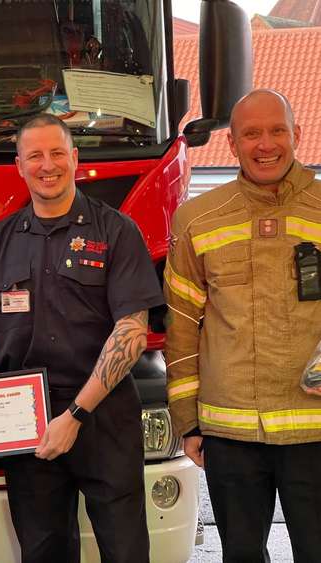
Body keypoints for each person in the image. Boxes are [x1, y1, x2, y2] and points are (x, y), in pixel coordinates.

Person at [0, 113, 163, 563]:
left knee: (125, 550)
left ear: (75, 159)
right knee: (42, 551)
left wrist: (75, 414)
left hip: (104, 415)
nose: (47, 165)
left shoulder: (116, 231)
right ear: (19, 166)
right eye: (35, 155)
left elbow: (132, 333)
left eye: (57, 153)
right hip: (26, 421)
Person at [164, 89, 321, 563]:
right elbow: (182, 327)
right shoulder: (197, 219)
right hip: (231, 434)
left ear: (296, 135)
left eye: (277, 131)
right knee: (241, 556)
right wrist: (188, 421)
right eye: (251, 133)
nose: (265, 144)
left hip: (315, 431)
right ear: (231, 143)